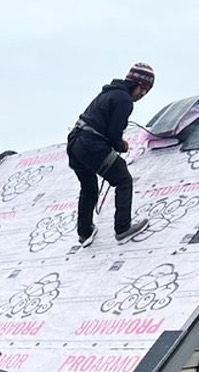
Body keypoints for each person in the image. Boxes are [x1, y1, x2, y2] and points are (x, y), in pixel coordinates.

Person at [67, 63, 155, 247]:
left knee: (89, 187)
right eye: (143, 90)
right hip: (91, 144)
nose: (142, 95)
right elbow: (114, 134)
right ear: (136, 84)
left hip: (75, 143)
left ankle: (85, 232)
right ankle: (123, 229)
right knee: (122, 179)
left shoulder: (108, 93)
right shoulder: (124, 100)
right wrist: (122, 146)